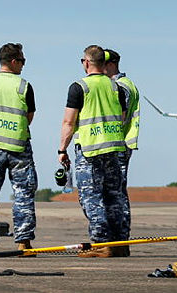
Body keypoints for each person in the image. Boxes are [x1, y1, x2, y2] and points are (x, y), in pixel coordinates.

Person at [58, 45, 130, 258]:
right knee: (115, 197)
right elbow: (123, 117)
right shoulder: (117, 87)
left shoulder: (79, 87)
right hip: (115, 149)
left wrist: (62, 149)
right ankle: (120, 244)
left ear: (87, 63)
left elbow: (68, 122)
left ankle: (101, 244)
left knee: (92, 197)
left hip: (90, 150)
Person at [0, 43, 37, 255]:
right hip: (19, 146)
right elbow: (29, 116)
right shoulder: (23, 85)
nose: (23, 65)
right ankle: (23, 243)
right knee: (23, 194)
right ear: (13, 61)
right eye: (22, 61)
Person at [103, 48, 139, 241]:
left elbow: (119, 117)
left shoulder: (120, 86)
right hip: (123, 143)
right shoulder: (126, 83)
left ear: (110, 64)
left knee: (115, 193)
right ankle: (120, 236)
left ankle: (119, 237)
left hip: (118, 144)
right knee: (118, 191)